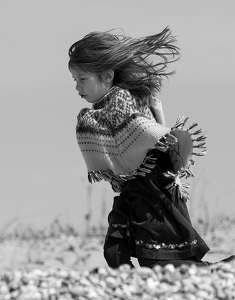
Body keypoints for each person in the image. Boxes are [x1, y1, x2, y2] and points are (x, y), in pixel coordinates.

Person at [68, 27, 233, 269]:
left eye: (82, 79)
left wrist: (87, 121)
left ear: (107, 76)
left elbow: (140, 129)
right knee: (121, 246)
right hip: (137, 186)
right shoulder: (109, 102)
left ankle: (214, 269)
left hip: (152, 186)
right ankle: (128, 277)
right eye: (75, 80)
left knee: (156, 252)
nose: (77, 87)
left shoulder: (119, 100)